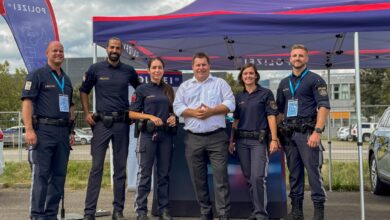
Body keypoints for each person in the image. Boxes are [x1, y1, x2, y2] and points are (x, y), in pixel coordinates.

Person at [80, 37, 140, 220]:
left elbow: (141, 91)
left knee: (120, 169)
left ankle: (118, 211)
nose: (114, 50)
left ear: (121, 50)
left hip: (122, 124)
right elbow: (84, 90)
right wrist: (86, 112)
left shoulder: (129, 71)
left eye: (118, 48)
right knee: (96, 168)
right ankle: (89, 212)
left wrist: (134, 112)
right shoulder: (95, 69)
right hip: (101, 124)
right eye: (112, 47)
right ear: (107, 49)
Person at [173, 52, 235, 220]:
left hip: (217, 138)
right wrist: (193, 112)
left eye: (204, 64)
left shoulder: (220, 83)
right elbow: (177, 107)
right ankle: (205, 213)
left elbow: (230, 104)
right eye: (197, 65)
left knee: (221, 179)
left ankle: (223, 215)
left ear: (209, 66)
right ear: (192, 67)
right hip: (193, 139)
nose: (201, 68)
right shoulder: (185, 87)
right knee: (198, 180)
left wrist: (211, 111)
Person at [22, 41, 76, 220]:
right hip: (43, 131)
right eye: (55, 50)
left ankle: (51, 214)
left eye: (61, 50)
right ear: (47, 53)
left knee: (59, 177)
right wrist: (29, 129)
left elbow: (71, 108)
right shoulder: (37, 75)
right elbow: (27, 103)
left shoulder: (66, 80)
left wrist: (71, 132)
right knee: (42, 176)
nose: (58, 53)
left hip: (62, 133)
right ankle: (37, 215)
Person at [276, 44, 330, 220]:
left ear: (306, 58)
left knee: (313, 173)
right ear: (289, 59)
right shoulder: (284, 83)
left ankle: (319, 212)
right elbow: (279, 112)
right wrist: (275, 136)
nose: (297, 58)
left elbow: (323, 106)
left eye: (300, 55)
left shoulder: (316, 80)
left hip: (308, 134)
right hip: (289, 135)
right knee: (294, 174)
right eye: (294, 56)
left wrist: (317, 131)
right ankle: (297, 211)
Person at [228, 63, 279, 220]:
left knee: (258, 177)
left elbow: (272, 116)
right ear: (241, 77)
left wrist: (274, 139)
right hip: (241, 141)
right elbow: (235, 120)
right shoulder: (238, 97)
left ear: (256, 76)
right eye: (245, 74)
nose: (248, 76)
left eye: (251, 73)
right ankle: (257, 211)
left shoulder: (266, 93)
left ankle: (261, 214)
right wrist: (231, 140)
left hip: (259, 141)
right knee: (250, 178)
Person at [129, 57, 176, 220]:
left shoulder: (169, 89)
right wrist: (150, 117)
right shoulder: (141, 89)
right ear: (149, 70)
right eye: (154, 68)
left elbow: (172, 111)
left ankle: (163, 210)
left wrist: (173, 118)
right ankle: (141, 211)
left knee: (163, 175)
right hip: (147, 136)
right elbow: (131, 113)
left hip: (165, 136)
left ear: (163, 70)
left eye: (160, 68)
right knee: (144, 174)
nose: (157, 71)